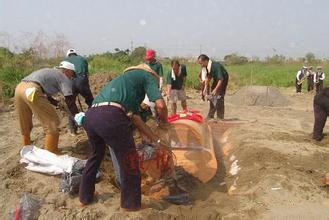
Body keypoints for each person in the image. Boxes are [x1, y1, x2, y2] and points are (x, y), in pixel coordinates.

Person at [79, 64, 168, 211]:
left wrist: (156, 140)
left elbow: (137, 120)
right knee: (130, 161)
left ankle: (84, 197)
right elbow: (161, 105)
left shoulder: (125, 85)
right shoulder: (147, 76)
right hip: (110, 116)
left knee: (95, 156)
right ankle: (130, 205)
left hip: (91, 116)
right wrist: (165, 124)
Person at [14, 61, 79, 154]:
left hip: (19, 88)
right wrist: (77, 116)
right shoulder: (64, 77)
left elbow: (45, 94)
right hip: (33, 90)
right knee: (52, 122)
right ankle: (52, 152)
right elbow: (70, 101)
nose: (71, 77)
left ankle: (26, 150)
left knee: (25, 122)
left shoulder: (51, 72)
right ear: (68, 71)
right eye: (72, 74)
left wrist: (57, 103)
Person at [64, 48, 94, 134]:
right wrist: (85, 88)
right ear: (75, 54)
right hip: (82, 80)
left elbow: (64, 75)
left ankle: (73, 129)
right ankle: (94, 120)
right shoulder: (82, 59)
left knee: (71, 105)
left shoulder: (65, 60)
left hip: (70, 82)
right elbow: (87, 75)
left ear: (68, 55)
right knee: (91, 102)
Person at [198, 54, 229, 119]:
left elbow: (221, 79)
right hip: (216, 79)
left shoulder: (216, 66)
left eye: (201, 63)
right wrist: (205, 88)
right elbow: (208, 77)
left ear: (205, 61)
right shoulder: (207, 66)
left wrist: (215, 90)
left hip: (223, 79)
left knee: (219, 96)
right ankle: (210, 115)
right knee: (212, 96)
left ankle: (220, 117)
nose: (201, 65)